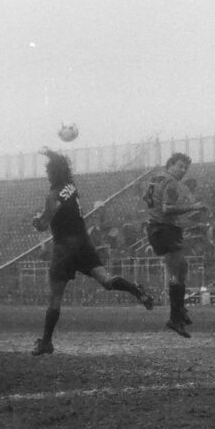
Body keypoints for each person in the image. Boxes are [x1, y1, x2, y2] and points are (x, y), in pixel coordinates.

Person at [31, 149, 154, 356]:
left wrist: (37, 221)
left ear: (53, 173)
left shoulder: (52, 195)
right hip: (83, 243)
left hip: (64, 248)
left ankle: (46, 342)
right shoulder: (71, 187)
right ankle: (135, 290)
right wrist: (53, 155)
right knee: (106, 280)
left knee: (55, 297)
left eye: (48, 171)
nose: (47, 175)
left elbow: (44, 224)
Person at [143, 152, 204, 338]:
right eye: (180, 166)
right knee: (176, 273)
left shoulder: (155, 178)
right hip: (165, 228)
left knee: (181, 268)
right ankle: (175, 317)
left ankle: (180, 309)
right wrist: (193, 207)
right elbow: (167, 208)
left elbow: (148, 199)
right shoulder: (171, 182)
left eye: (185, 168)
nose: (183, 170)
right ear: (170, 165)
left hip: (157, 228)